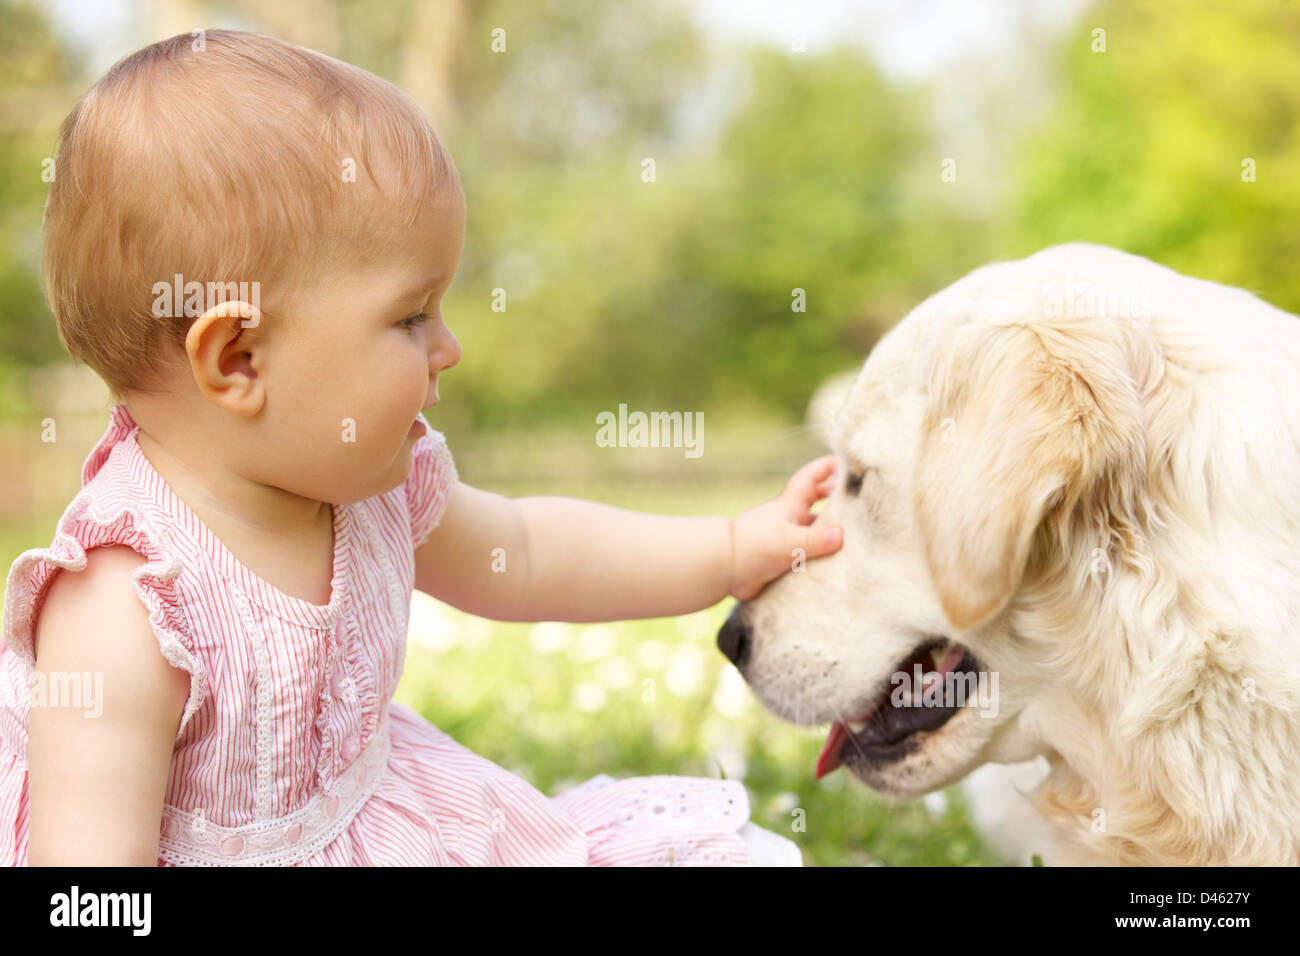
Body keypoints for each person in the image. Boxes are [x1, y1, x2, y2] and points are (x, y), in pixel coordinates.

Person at [0, 30, 843, 866]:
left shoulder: (368, 484)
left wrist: (730, 549)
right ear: (238, 359)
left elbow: (529, 549)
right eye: (411, 316)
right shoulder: (128, 603)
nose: (449, 348)